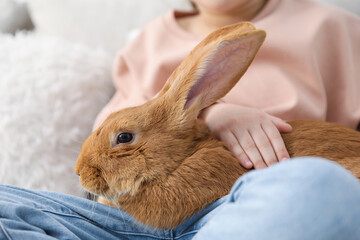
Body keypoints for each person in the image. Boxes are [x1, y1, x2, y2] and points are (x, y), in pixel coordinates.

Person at [0, 0, 359, 239]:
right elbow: (112, 127)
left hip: (249, 204)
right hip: (127, 225)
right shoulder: (148, 40)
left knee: (323, 187)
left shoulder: (331, 25)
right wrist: (212, 111)